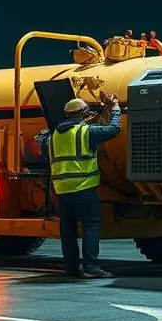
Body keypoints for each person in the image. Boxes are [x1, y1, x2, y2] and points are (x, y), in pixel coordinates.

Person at [44, 95, 122, 278]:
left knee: (68, 230)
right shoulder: (86, 132)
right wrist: (116, 110)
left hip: (63, 191)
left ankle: (72, 268)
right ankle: (90, 266)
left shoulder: (53, 136)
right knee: (91, 225)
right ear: (82, 114)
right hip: (84, 188)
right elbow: (114, 129)